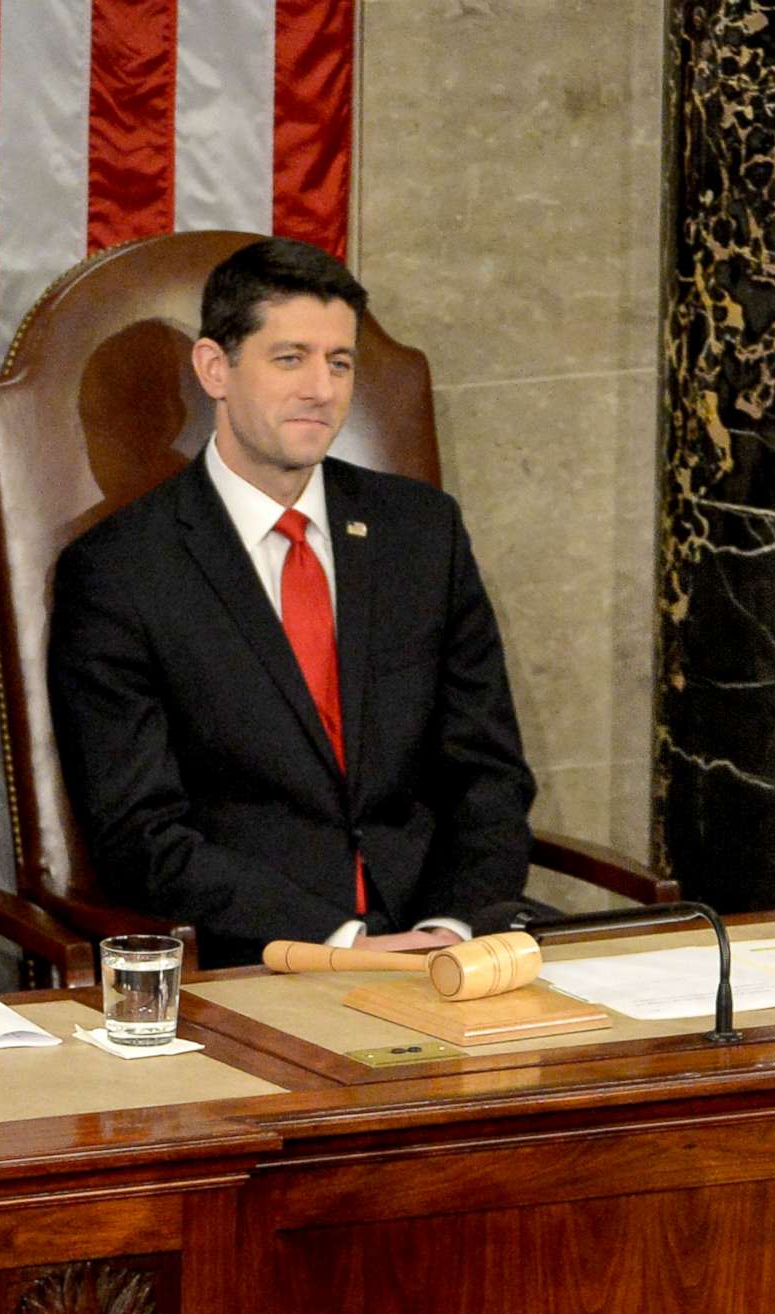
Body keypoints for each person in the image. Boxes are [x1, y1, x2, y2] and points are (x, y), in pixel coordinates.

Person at [48, 236, 535, 967]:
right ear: (215, 368)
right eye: (290, 358)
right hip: (261, 956)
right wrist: (343, 945)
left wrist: (451, 926)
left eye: (339, 362)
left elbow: (488, 772)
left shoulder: (422, 532)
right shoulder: (119, 573)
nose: (321, 388)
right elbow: (140, 834)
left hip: (450, 944)